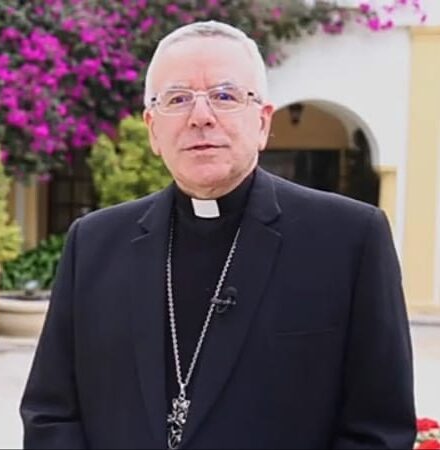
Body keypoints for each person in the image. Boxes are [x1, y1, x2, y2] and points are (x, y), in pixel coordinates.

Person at [20, 20, 416, 449]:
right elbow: (51, 413)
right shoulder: (93, 244)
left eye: (225, 96)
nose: (200, 117)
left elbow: (379, 431)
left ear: (262, 122)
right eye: (177, 99)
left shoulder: (349, 240)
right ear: (153, 129)